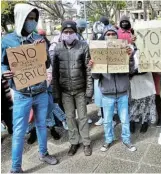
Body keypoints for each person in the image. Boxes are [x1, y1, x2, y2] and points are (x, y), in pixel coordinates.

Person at [1, 4, 58, 173]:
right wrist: (4, 72)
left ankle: (43, 153)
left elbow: (47, 63)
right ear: (20, 19)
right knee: (19, 132)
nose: (31, 22)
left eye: (34, 19)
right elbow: (2, 62)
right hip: (21, 94)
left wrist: (43, 50)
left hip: (40, 91)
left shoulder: (37, 39)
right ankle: (15, 167)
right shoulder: (8, 40)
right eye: (29, 18)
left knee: (42, 125)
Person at [90, 26, 137, 152]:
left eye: (113, 34)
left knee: (125, 119)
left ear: (117, 36)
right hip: (107, 93)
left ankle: (127, 140)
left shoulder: (124, 49)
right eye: (108, 34)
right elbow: (95, 76)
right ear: (104, 36)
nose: (110, 36)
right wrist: (93, 66)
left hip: (122, 92)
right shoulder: (99, 52)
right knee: (107, 120)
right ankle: (108, 140)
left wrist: (130, 57)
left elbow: (131, 71)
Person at [52, 20, 93, 156]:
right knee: (69, 117)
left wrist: (89, 92)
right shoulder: (57, 48)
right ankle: (74, 142)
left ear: (75, 33)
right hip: (65, 91)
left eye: (71, 32)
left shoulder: (83, 46)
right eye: (66, 32)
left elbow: (88, 71)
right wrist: (56, 93)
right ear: (62, 33)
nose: (68, 34)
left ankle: (86, 143)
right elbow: (55, 73)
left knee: (83, 117)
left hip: (80, 89)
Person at [27, 67, 68, 144]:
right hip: (26, 90)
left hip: (43, 87)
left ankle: (52, 130)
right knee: (30, 114)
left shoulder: (42, 55)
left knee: (47, 112)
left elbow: (48, 70)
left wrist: (45, 84)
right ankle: (33, 132)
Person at [129, 45, 157, 134]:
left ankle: (145, 122)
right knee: (134, 103)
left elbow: (151, 64)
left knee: (147, 102)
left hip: (146, 80)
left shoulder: (148, 48)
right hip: (134, 81)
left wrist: (136, 72)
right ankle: (132, 121)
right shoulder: (128, 48)